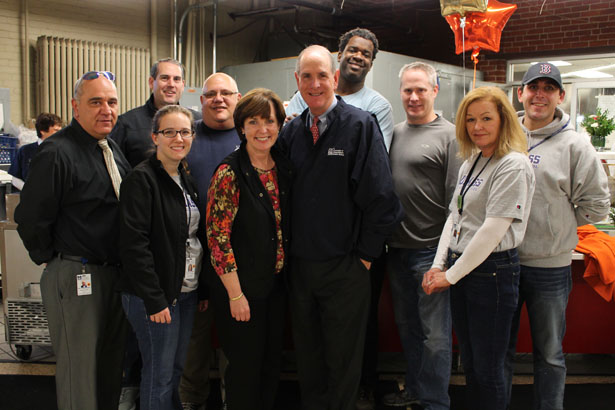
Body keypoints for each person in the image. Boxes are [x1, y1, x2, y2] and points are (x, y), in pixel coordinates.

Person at [279, 45, 402, 410]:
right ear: (297, 81)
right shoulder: (292, 133)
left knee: (344, 361)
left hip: (345, 268)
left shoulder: (360, 126)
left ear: (334, 78)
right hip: (301, 270)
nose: (315, 84)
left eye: (322, 75)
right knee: (309, 360)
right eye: (306, 76)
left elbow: (383, 200)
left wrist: (364, 257)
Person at [15, 70, 130, 410]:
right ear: (75, 106)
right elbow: (31, 218)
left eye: (111, 102)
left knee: (109, 370)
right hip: (77, 274)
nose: (105, 109)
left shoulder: (110, 150)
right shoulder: (56, 153)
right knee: (80, 375)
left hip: (113, 275)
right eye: (95, 102)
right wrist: (55, 260)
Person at [505, 63, 610, 410]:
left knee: (549, 355)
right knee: (500, 352)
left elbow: (597, 208)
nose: (540, 94)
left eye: (549, 88)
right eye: (533, 86)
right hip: (501, 263)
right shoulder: (504, 138)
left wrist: (559, 222)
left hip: (550, 268)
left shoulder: (576, 146)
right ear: (520, 93)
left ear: (560, 96)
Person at [423, 86, 535, 410]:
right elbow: (454, 217)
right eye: (470, 119)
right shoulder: (472, 161)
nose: (477, 127)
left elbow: (491, 231)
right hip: (465, 269)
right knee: (470, 364)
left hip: (493, 272)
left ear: (503, 120)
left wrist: (451, 275)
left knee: (488, 369)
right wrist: (438, 265)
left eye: (486, 118)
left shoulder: (512, 164)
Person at [206, 88, 292, 410]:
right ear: (241, 127)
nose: (262, 130)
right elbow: (218, 239)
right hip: (242, 294)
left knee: (271, 368)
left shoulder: (282, 167)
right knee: (245, 373)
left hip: (275, 289)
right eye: (253, 122)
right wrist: (235, 295)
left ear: (279, 126)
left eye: (269, 121)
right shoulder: (229, 173)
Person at [384, 62, 460, 410]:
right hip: (396, 249)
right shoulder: (394, 133)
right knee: (409, 328)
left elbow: (455, 205)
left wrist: (444, 258)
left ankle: (435, 402)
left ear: (434, 91)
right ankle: (414, 391)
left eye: (420, 90)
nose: (413, 97)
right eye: (407, 90)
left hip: (430, 252)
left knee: (435, 335)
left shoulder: (451, 135)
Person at [118, 104, 204, 410]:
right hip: (153, 297)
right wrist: (154, 299)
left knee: (174, 371)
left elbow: (192, 239)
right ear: (155, 137)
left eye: (185, 132)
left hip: (185, 292)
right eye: (169, 132)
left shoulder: (186, 179)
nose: (178, 138)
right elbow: (134, 246)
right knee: (159, 375)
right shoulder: (141, 180)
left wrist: (199, 288)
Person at [180, 72, 242, 410]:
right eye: (211, 94)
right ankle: (192, 404)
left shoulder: (251, 138)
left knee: (237, 351)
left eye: (225, 93)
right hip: (194, 266)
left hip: (239, 268)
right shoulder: (187, 138)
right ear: (200, 100)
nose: (218, 99)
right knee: (193, 352)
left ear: (238, 97)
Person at [285, 27, 394, 151]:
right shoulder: (306, 94)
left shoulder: (378, 107)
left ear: (371, 65)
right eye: (353, 50)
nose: (358, 57)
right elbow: (289, 140)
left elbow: (374, 154)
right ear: (339, 55)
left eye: (366, 54)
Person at [110, 57, 202, 167]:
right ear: (151, 82)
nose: (171, 84)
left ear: (182, 85)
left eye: (176, 79)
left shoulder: (197, 121)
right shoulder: (126, 124)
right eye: (164, 78)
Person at [8, 112, 62, 190]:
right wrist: (30, 191)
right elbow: (15, 178)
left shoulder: (63, 151)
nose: (60, 133)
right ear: (42, 131)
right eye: (56, 130)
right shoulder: (25, 151)